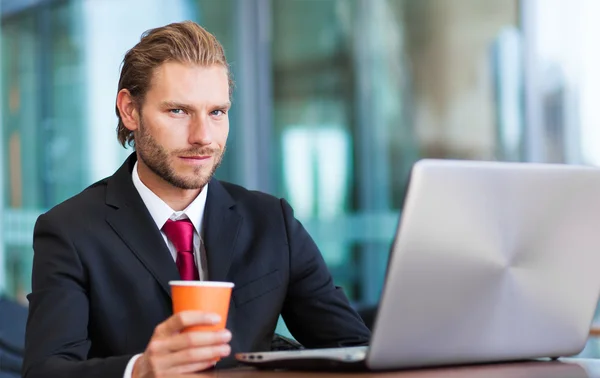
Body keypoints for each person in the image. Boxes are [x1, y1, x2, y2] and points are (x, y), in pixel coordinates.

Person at [22, 21, 370, 378]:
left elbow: (353, 348)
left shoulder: (272, 221)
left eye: (216, 112)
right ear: (129, 111)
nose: (203, 136)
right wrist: (140, 369)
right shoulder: (70, 231)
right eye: (178, 111)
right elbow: (45, 371)